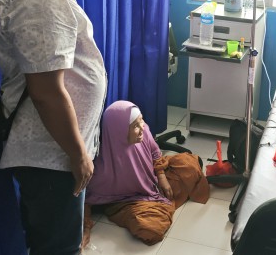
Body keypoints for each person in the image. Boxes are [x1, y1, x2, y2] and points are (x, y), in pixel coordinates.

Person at [0, 0, 106, 254]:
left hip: (56, 155)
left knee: (59, 244)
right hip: (50, 157)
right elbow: (45, 91)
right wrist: (78, 154)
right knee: (57, 249)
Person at [82, 101, 209, 247]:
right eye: (135, 126)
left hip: (153, 179)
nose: (142, 127)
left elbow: (155, 151)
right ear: (119, 132)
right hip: (129, 201)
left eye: (141, 120)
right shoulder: (101, 168)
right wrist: (85, 228)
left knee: (190, 164)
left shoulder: (144, 131)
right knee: (150, 229)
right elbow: (85, 198)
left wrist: (161, 176)